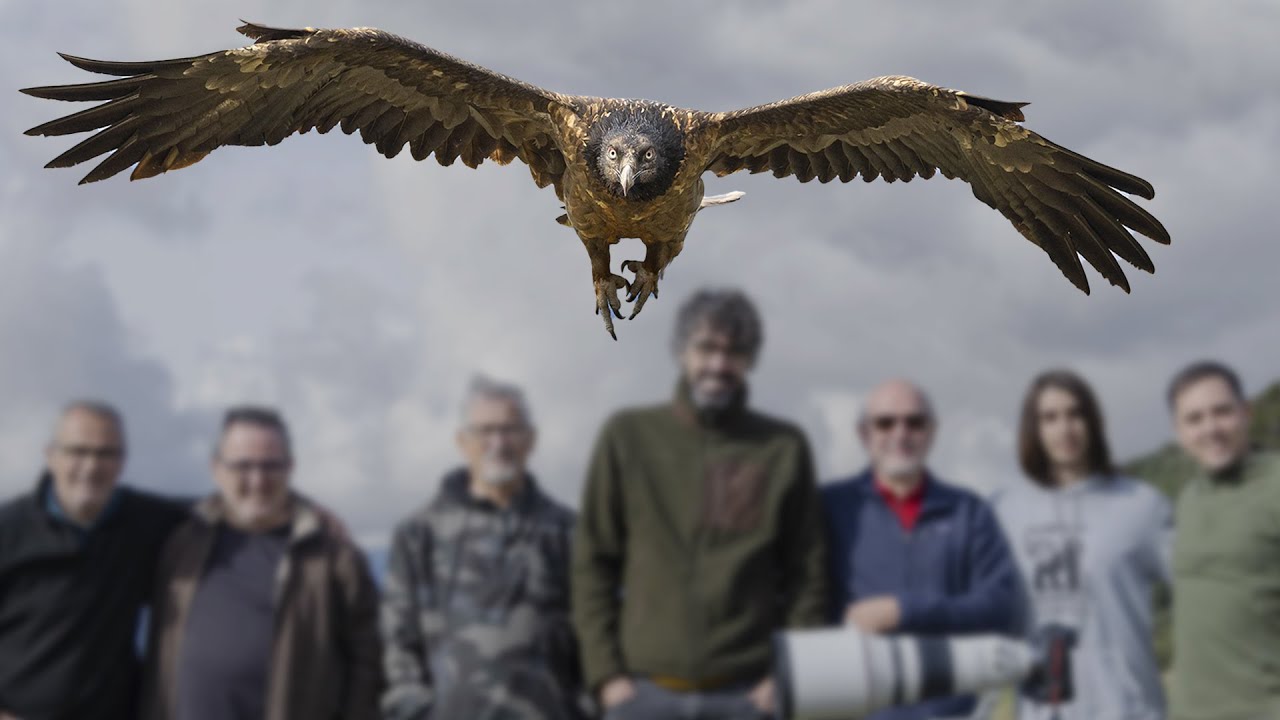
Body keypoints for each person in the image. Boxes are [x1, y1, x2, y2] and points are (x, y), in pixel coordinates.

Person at [573, 288, 828, 720]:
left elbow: (809, 571)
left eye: (734, 352)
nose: (718, 364)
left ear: (750, 360)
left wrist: (784, 677)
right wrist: (606, 676)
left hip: (748, 697)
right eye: (706, 348)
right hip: (641, 696)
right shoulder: (628, 437)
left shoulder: (781, 448)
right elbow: (592, 562)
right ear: (681, 351)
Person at [140, 406, 382, 720]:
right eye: (243, 466)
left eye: (271, 466)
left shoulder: (334, 559)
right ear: (216, 469)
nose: (257, 480)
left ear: (290, 468)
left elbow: (370, 658)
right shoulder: (179, 541)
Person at [381, 376, 584, 720]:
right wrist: (414, 707)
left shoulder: (569, 531)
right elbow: (397, 639)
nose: (499, 443)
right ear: (463, 441)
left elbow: (593, 629)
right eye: (485, 431)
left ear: (530, 440)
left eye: (510, 430)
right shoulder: (418, 534)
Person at [822, 378, 1021, 720]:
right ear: (863, 433)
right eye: (885, 422)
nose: (901, 433)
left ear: (932, 431)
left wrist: (905, 611)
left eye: (914, 422)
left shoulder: (969, 512)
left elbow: (1001, 606)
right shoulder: (827, 508)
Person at [993, 370, 1172, 720]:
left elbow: (1204, 589)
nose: (1065, 429)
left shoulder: (1142, 505)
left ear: (1094, 420)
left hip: (1128, 708)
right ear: (1034, 429)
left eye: (1076, 414)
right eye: (1050, 418)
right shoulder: (1002, 511)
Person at [0, 401, 190, 720]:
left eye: (105, 454)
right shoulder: (8, 531)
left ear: (122, 461)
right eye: (77, 451)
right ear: (51, 456)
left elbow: (229, 515)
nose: (90, 467)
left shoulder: (152, 524)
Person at [1165, 361, 1280, 720]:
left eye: (1222, 412)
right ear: (1180, 432)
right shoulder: (1188, 499)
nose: (1210, 428)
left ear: (1246, 413)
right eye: (1194, 419)